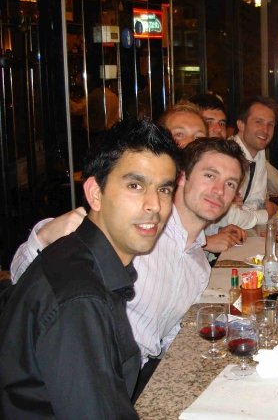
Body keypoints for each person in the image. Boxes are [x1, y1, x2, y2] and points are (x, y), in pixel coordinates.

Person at [10, 137, 248, 399]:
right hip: (85, 380)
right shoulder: (137, 231)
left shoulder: (199, 266)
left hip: (138, 379)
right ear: (181, 178)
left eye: (229, 184)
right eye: (210, 175)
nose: (218, 191)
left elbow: (168, 335)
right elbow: (23, 283)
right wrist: (43, 238)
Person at [1, 119, 181, 417]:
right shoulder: (81, 298)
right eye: (135, 185)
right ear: (95, 193)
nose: (154, 205)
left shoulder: (81, 257)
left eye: (164, 189)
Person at [159, 102, 246, 254]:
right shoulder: (149, 198)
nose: (189, 142)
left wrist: (210, 235)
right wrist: (206, 242)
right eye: (179, 134)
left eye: (198, 137)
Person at [231, 96, 278, 220]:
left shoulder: (259, 153)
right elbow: (230, 216)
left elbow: (257, 202)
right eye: (258, 122)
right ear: (241, 125)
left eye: (270, 124)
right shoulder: (228, 156)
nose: (265, 130)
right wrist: (266, 214)